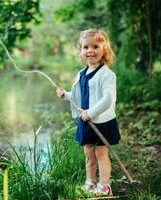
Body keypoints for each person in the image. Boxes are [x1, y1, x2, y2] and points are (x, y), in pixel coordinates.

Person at [56, 28, 120, 196]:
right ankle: (90, 182)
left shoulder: (107, 75)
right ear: (81, 50)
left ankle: (105, 186)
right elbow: (79, 96)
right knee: (88, 153)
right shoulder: (82, 74)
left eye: (95, 46)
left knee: (100, 153)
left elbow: (108, 99)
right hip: (85, 120)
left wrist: (90, 112)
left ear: (104, 49)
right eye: (86, 47)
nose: (90, 50)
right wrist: (66, 96)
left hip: (100, 121)